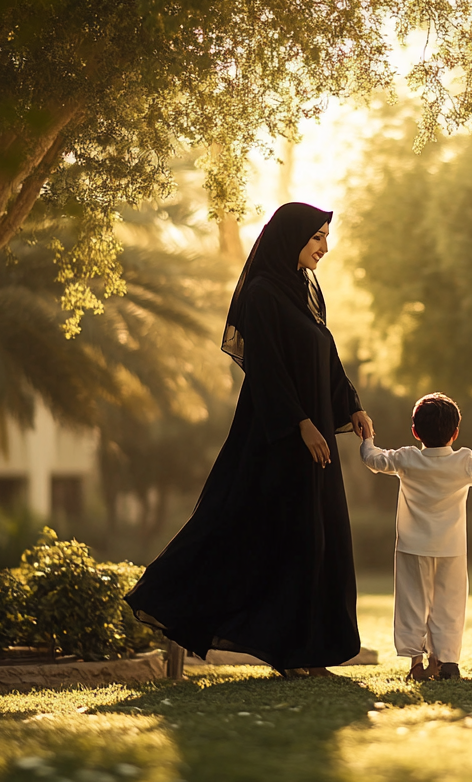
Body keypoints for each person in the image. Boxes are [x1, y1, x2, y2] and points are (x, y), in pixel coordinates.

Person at [125, 202, 375, 678]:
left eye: (325, 236)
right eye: (317, 237)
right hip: (279, 442)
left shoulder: (303, 291)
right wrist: (301, 423)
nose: (325, 247)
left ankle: (307, 652)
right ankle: (279, 649)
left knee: (320, 541)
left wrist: (352, 403)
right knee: (275, 537)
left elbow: (326, 353)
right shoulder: (262, 294)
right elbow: (268, 369)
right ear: (291, 239)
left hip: (313, 441)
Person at [360, 393, 472, 681]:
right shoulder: (462, 461)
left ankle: (416, 664)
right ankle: (446, 661)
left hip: (412, 547)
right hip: (451, 548)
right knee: (449, 604)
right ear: (456, 433)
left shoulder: (407, 459)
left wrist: (368, 437)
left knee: (412, 602)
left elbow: (372, 459)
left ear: (415, 432)